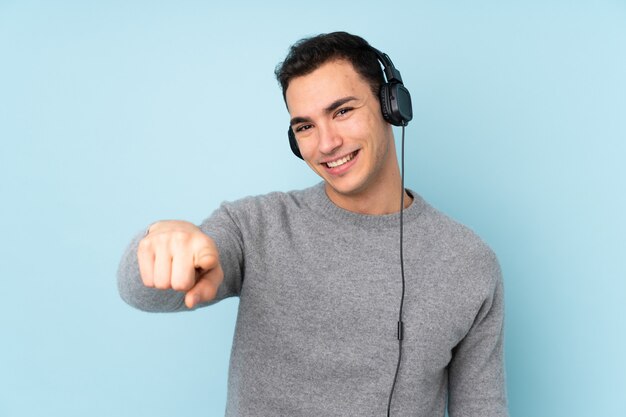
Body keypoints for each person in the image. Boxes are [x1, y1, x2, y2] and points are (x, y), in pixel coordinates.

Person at [117, 31, 508, 417]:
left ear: (391, 107)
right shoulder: (254, 226)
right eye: (305, 126)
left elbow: (482, 408)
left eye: (342, 111)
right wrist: (160, 244)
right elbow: (141, 291)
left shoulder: (467, 261)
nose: (326, 144)